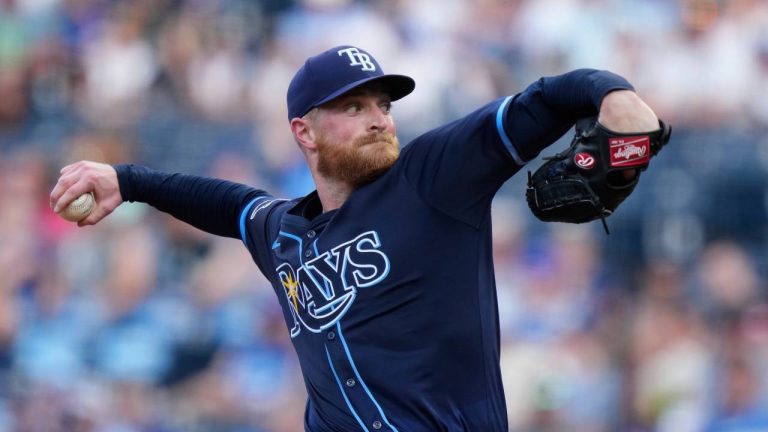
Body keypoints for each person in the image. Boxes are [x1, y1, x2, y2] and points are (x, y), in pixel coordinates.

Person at [51, 45, 661, 431]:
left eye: (383, 104)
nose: (378, 117)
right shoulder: (281, 231)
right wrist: (126, 180)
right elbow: (227, 204)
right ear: (304, 132)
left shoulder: (432, 177)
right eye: (354, 106)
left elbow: (544, 101)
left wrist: (613, 93)